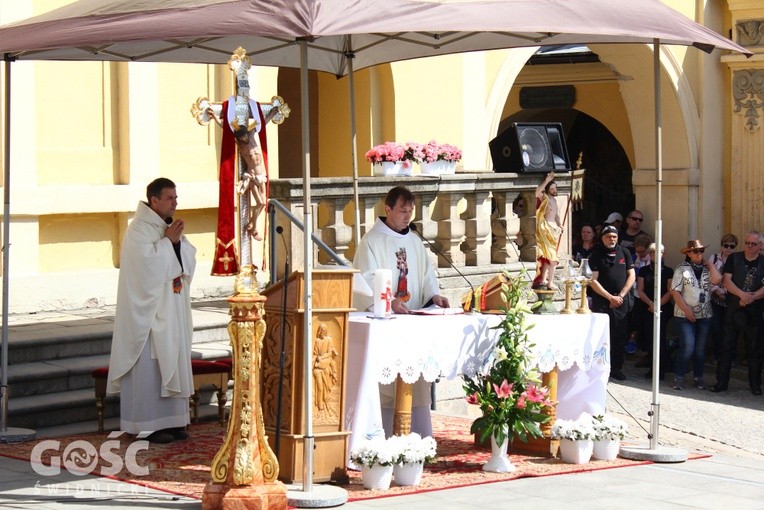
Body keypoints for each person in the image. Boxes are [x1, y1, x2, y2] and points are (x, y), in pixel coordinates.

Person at [352, 185, 450, 437]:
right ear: (388, 209)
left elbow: (427, 274)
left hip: (412, 323)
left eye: (410, 211)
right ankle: (384, 436)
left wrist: (434, 295)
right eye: (402, 210)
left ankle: (417, 437)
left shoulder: (415, 241)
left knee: (415, 381)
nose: (407, 216)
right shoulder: (371, 242)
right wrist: (390, 301)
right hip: (387, 325)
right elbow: (366, 279)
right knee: (387, 386)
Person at [106, 178, 197, 443]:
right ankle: (147, 425)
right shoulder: (139, 230)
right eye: (170, 198)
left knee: (174, 357)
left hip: (172, 307)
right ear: (154, 200)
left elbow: (188, 257)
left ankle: (174, 420)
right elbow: (145, 268)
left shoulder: (168, 227)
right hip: (148, 314)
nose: (175, 203)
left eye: (176, 198)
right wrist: (169, 243)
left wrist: (177, 244)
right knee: (150, 367)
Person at [711, 231, 764, 395]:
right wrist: (742, 295)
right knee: (727, 346)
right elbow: (726, 280)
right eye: (747, 242)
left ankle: (755, 385)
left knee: (754, 348)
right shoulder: (734, 258)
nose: (749, 246)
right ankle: (721, 383)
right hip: (734, 309)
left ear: (760, 246)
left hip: (754, 310)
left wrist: (752, 297)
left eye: (753, 244)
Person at [670, 240, 722, 390]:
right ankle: (679, 377)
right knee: (688, 346)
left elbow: (717, 280)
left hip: (704, 313)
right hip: (684, 313)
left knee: (700, 348)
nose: (699, 254)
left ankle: (698, 377)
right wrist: (686, 310)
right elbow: (675, 291)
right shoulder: (681, 268)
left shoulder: (707, 268)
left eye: (701, 251)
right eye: (695, 251)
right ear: (689, 253)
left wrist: (711, 265)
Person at [588, 225, 635, 381]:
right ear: (602, 238)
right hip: (603, 301)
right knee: (601, 335)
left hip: (621, 301)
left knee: (619, 336)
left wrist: (620, 296)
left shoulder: (625, 253)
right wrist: (610, 298)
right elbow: (593, 281)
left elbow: (632, 276)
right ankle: (600, 367)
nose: (611, 239)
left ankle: (616, 368)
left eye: (614, 236)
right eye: (608, 236)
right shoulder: (596, 255)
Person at [636, 243, 674, 380]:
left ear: (664, 254)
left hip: (664, 307)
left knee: (661, 337)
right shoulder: (644, 270)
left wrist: (658, 305)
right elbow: (640, 290)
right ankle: (652, 368)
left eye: (660, 252)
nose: (656, 255)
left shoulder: (669, 271)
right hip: (647, 307)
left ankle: (662, 369)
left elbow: (670, 291)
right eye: (653, 252)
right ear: (650, 254)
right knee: (650, 337)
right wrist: (651, 304)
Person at [708, 234, 738, 363]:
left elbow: (737, 280)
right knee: (716, 328)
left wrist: (725, 290)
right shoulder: (714, 258)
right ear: (722, 245)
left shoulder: (737, 260)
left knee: (730, 329)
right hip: (715, 299)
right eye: (726, 245)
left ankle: (730, 357)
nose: (728, 248)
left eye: (732, 246)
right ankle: (717, 355)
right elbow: (707, 277)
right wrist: (716, 290)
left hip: (730, 299)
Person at [533, 172, 562, 290]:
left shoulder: (555, 201)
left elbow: (557, 214)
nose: (554, 190)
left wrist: (560, 224)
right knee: (553, 258)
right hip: (546, 229)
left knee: (547, 257)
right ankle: (550, 282)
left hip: (554, 229)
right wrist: (546, 180)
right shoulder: (545, 198)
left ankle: (544, 280)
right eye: (551, 188)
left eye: (555, 188)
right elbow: (537, 192)